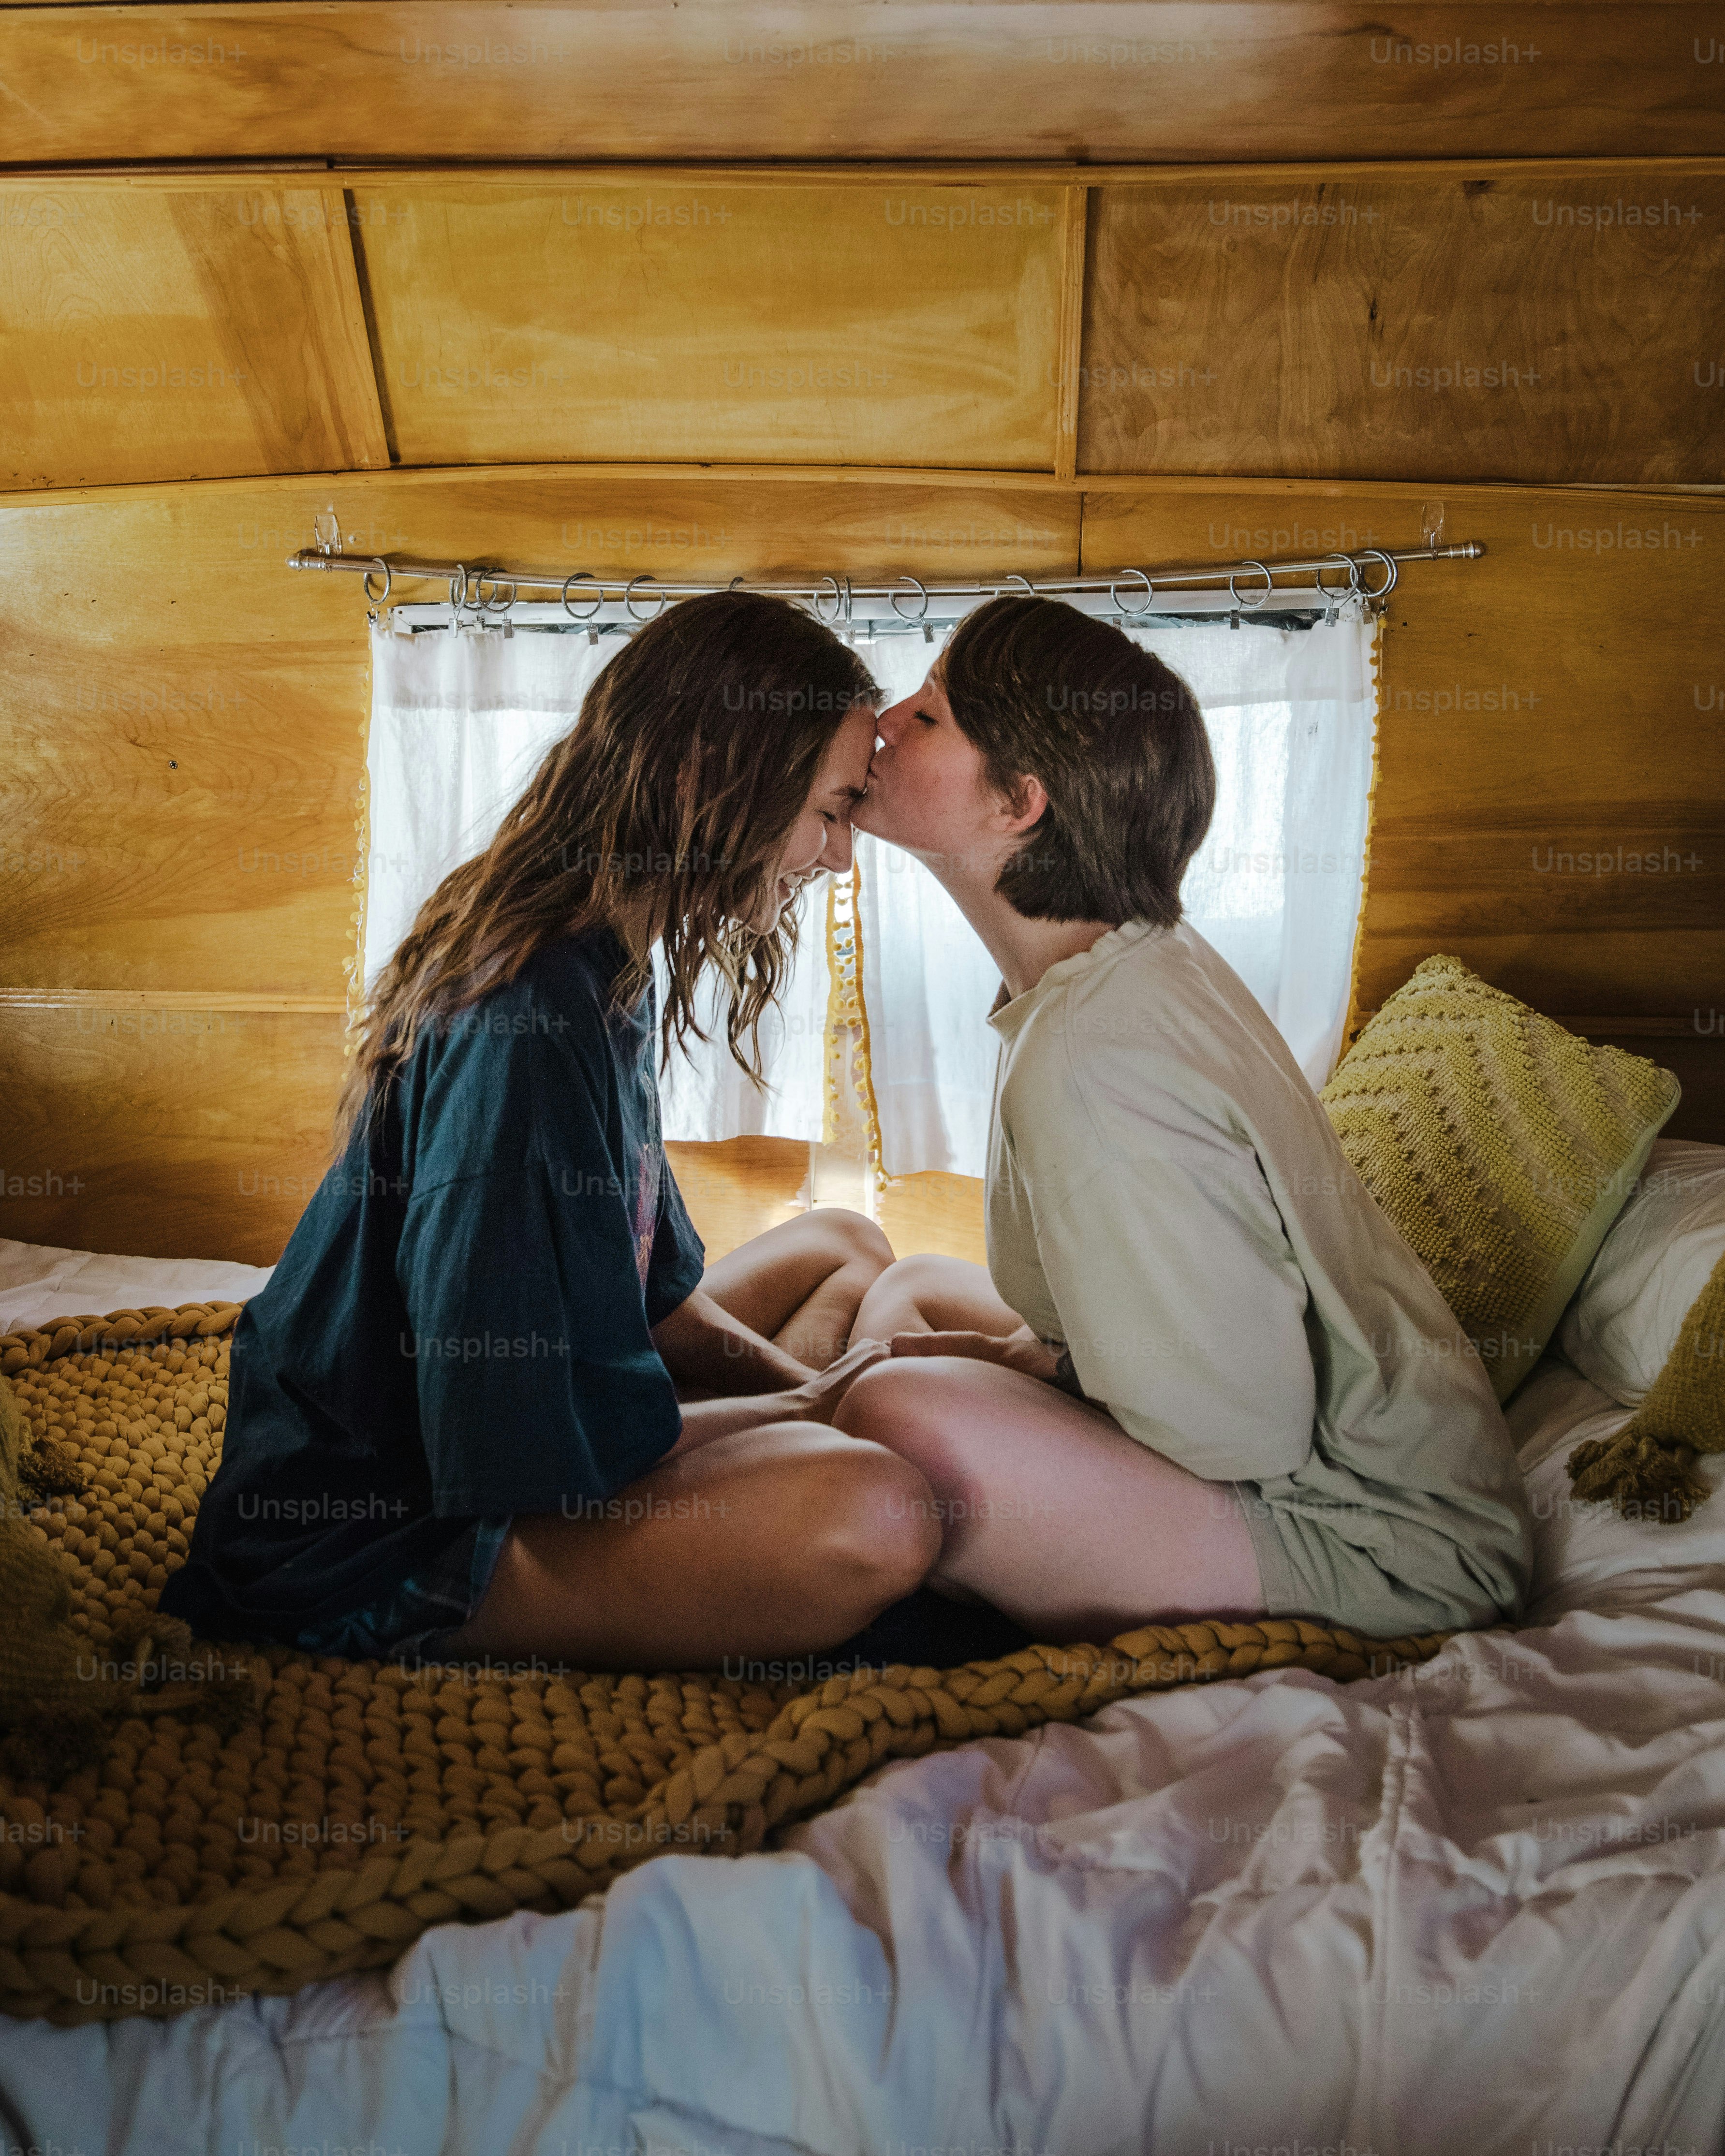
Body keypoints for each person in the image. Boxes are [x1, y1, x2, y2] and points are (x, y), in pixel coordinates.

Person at [162, 593, 942, 1672]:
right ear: (707, 777)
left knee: (844, 1244)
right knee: (880, 1511)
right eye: (833, 809)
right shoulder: (522, 1020)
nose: (840, 856)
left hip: (536, 1423)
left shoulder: (608, 952)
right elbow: (510, 1450)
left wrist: (808, 1396)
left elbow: (656, 1296)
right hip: (386, 1532)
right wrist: (821, 1412)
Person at [838, 594, 1534, 1647]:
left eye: (929, 715)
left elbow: (1236, 1426)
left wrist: (1006, 1392)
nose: (885, 721)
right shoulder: (1122, 962)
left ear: (1016, 802)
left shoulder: (1094, 1054)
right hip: (1282, 1455)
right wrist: (1021, 1370)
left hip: (1383, 1545)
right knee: (905, 1291)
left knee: (898, 1416)